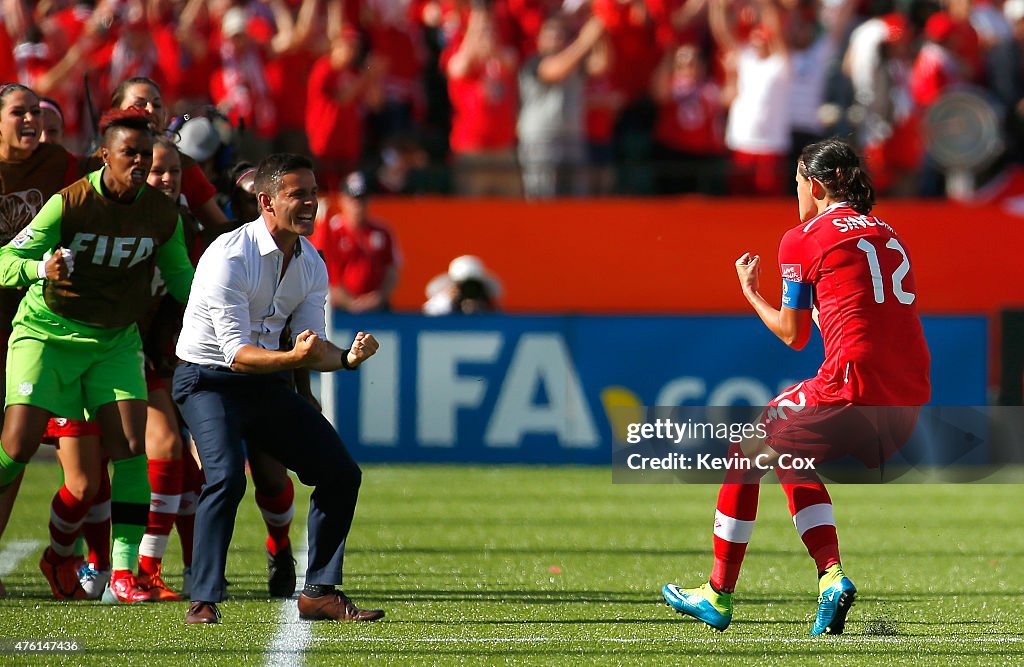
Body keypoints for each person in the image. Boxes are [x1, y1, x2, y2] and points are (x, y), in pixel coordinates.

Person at [661, 138, 930, 634]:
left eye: (798, 183)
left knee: (747, 451)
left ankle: (718, 595)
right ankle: (830, 580)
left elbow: (793, 333)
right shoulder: (889, 231)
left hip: (852, 381)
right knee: (785, 449)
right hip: (910, 394)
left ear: (816, 184)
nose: (797, 194)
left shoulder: (804, 236)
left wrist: (750, 292)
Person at [173, 153, 384, 625]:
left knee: (340, 473)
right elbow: (236, 354)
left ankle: (319, 592)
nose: (311, 203)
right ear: (266, 202)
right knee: (226, 478)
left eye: (313, 192)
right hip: (207, 380)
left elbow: (314, 345)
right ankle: (203, 598)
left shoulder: (310, 261)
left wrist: (348, 359)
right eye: (298, 194)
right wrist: (293, 360)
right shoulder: (228, 256)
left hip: (263, 380)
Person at [0, 109, 194, 601]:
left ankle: (124, 574)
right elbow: (5, 261)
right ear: (103, 155)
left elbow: (181, 282)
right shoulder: (71, 202)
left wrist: (226, 305)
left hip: (113, 341)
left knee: (132, 446)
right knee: (18, 445)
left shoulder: (161, 215)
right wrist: (42, 266)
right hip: (47, 332)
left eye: (145, 156)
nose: (140, 163)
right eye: (130, 154)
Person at [0, 82, 81, 599]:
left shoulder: (58, 163)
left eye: (37, 111)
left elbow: (109, 177)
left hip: (30, 324)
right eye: (19, 112)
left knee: (14, 447)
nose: (31, 120)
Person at [311, 171, 400, 313]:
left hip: (377, 308)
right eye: (353, 199)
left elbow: (392, 268)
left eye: (362, 199)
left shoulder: (382, 231)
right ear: (342, 199)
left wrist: (379, 297)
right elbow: (318, 267)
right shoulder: (332, 230)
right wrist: (348, 301)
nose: (358, 205)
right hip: (339, 308)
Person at [423, 254, 501, 315]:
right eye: (461, 285)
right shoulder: (444, 300)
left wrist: (485, 306)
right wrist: (448, 301)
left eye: (473, 286)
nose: (469, 290)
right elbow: (428, 317)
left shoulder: (486, 303)